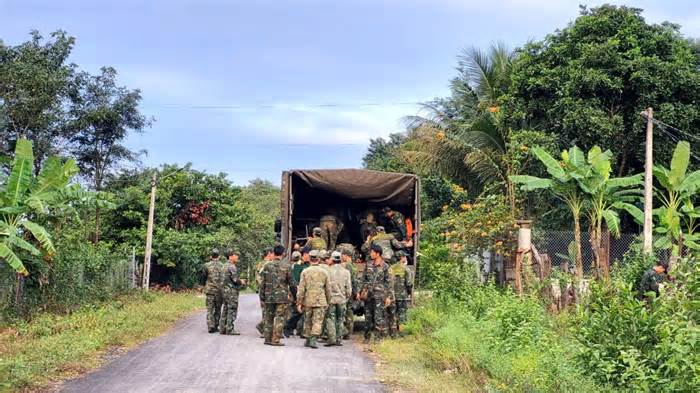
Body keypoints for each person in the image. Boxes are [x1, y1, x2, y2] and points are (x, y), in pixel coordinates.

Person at [297, 249, 331, 349]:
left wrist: (299, 302)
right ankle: (313, 339)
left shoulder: (305, 272)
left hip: (308, 301)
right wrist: (328, 301)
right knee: (318, 321)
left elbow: (301, 289)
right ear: (318, 259)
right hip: (320, 301)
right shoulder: (324, 272)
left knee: (308, 320)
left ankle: (308, 339)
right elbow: (328, 289)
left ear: (310, 259)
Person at [259, 245, 293, 346]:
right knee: (279, 318)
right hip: (281, 298)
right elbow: (291, 283)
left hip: (269, 297)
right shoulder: (286, 266)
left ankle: (267, 339)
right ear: (283, 254)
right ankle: (276, 340)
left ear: (274, 253)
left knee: (268, 317)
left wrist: (262, 296)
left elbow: (263, 283)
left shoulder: (267, 266)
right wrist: (294, 296)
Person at [361, 244, 394, 342]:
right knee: (367, 317)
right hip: (368, 295)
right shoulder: (368, 264)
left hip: (379, 296)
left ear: (377, 253)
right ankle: (366, 337)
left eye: (372, 252)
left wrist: (388, 297)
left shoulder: (385, 266)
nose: (370, 254)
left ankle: (377, 338)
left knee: (378, 317)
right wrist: (361, 291)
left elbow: (389, 283)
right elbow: (363, 279)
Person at [324, 251, 352, 346]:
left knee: (330, 318)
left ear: (332, 259)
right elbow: (348, 288)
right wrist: (346, 296)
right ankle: (338, 339)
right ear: (340, 259)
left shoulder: (327, 271)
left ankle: (331, 339)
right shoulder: (346, 272)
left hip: (331, 299)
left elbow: (325, 286)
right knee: (340, 319)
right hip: (342, 299)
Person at [220, 249, 246, 335]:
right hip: (231, 292)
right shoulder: (232, 266)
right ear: (230, 256)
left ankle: (222, 328)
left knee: (225, 309)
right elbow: (235, 280)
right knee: (232, 309)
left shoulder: (223, 266)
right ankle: (230, 329)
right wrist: (241, 281)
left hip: (224, 291)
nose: (237, 256)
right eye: (235, 255)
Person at [388, 250, 413, 337]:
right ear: (401, 258)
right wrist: (409, 293)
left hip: (392, 296)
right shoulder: (406, 269)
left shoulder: (390, 268)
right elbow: (409, 283)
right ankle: (402, 334)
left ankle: (393, 333)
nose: (406, 258)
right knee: (402, 314)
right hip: (402, 296)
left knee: (392, 314)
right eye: (405, 257)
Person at [284, 249, 308, 338]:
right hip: (298, 290)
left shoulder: (288, 266)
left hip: (290, 290)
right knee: (300, 310)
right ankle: (299, 330)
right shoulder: (303, 267)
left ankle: (288, 329)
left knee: (290, 309)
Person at [203, 248, 225, 333]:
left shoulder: (206, 265)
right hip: (219, 291)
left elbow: (204, 277)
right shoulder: (222, 266)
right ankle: (216, 325)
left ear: (211, 256)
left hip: (209, 290)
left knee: (210, 309)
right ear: (219, 256)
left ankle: (210, 326)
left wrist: (203, 285)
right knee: (218, 309)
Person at [255, 248, 274, 336]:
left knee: (268, 310)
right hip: (265, 289)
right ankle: (264, 329)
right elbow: (258, 277)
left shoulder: (270, 263)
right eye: (272, 253)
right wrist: (264, 286)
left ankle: (265, 328)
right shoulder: (263, 264)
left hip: (269, 289)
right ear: (269, 254)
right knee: (266, 309)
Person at [340, 247, 359, 339]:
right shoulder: (354, 266)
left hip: (347, 291)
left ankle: (346, 331)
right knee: (349, 310)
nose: (341, 257)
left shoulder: (347, 266)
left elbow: (352, 280)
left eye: (342, 255)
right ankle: (349, 330)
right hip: (351, 290)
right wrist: (356, 292)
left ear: (346, 255)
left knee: (346, 311)